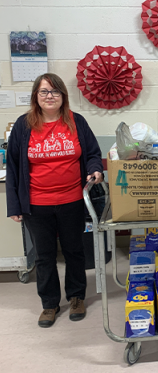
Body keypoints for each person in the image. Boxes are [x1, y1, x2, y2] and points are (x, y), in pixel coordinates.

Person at [6, 73, 103, 328]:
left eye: (55, 92)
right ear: (36, 97)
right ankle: (49, 304)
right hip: (36, 204)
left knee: (74, 251)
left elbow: (92, 152)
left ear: (63, 96)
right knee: (44, 255)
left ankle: (76, 297)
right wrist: (15, 206)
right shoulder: (23, 125)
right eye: (44, 92)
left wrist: (95, 169)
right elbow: (14, 168)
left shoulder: (76, 122)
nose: (50, 96)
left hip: (72, 200)